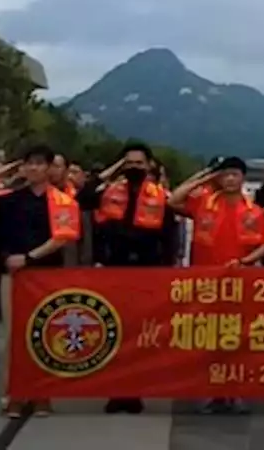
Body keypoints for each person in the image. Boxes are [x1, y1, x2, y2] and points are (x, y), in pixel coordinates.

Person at [0, 145, 81, 418]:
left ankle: (42, 395)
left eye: (40, 164)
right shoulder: (9, 198)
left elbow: (62, 237)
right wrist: (1, 172)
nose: (34, 169)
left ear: (51, 168)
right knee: (14, 335)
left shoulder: (63, 201)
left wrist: (29, 257)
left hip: (45, 275)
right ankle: (14, 393)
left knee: (45, 333)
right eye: (29, 164)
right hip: (13, 276)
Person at [77, 143, 180, 414]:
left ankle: (135, 391)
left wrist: (166, 271)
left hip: (147, 271)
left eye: (139, 163)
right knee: (114, 331)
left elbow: (170, 238)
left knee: (140, 333)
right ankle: (115, 390)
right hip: (114, 268)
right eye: (129, 163)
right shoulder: (108, 191)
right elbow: (82, 197)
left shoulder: (161, 196)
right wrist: (111, 172)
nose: (134, 167)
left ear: (149, 166)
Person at [172, 157, 264, 414]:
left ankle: (235, 392)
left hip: (239, 284)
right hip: (206, 282)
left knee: (236, 340)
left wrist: (245, 261)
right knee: (207, 339)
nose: (229, 179)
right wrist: (206, 175)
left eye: (234, 175)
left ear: (242, 178)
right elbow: (173, 200)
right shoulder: (204, 203)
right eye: (225, 175)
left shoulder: (253, 210)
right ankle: (208, 392)